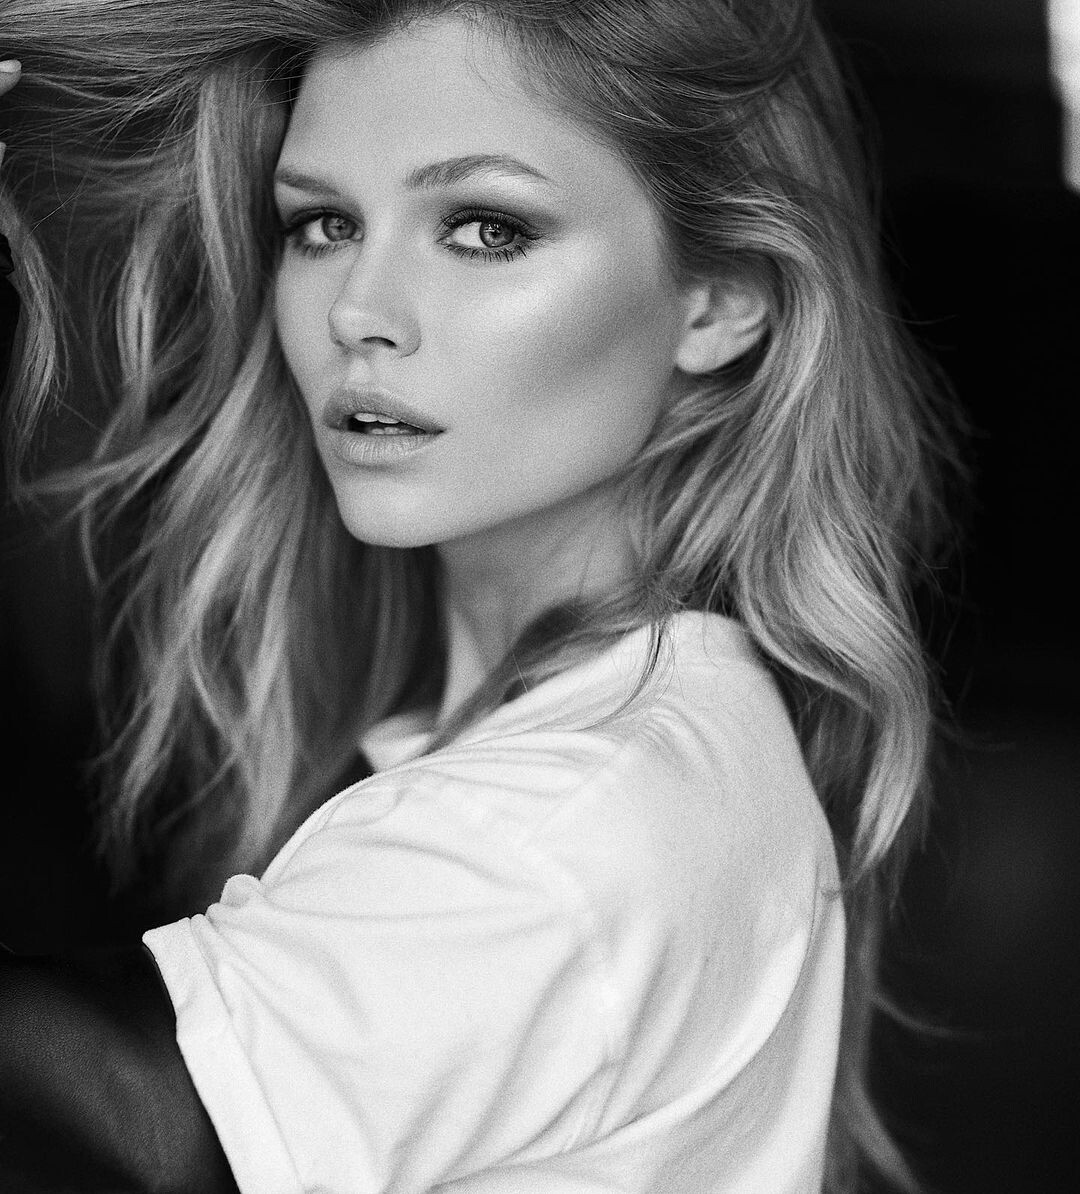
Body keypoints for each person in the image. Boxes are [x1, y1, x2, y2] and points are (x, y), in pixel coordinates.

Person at [0, 1, 959, 1190]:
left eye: (486, 228)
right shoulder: (635, 751)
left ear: (719, 298)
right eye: (322, 224)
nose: (358, 311)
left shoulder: (559, 831)